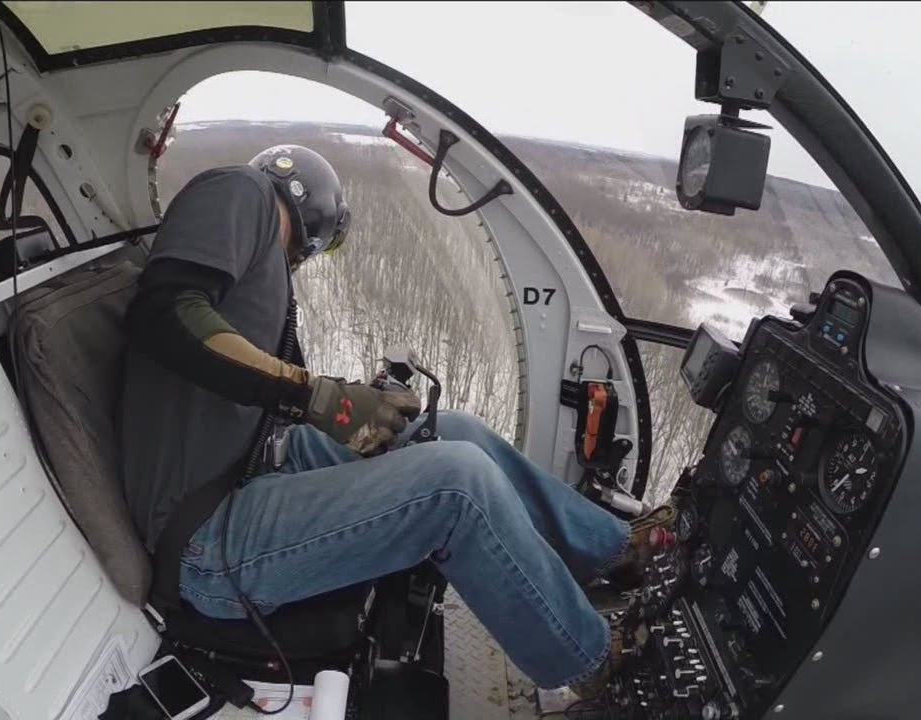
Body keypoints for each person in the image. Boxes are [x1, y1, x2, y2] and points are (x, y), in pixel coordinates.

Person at [118, 144, 677, 696]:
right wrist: (320, 397)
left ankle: (615, 551)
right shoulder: (243, 193)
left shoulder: (252, 267)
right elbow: (168, 314)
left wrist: (354, 400)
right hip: (208, 538)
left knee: (451, 431)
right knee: (455, 484)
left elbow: (255, 381)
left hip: (257, 461)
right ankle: (591, 661)